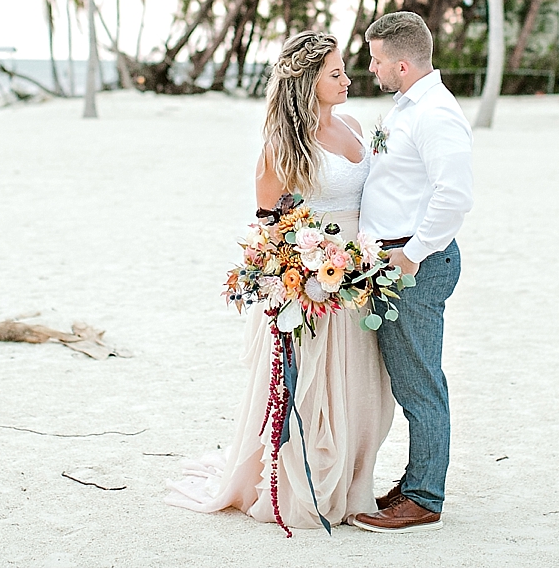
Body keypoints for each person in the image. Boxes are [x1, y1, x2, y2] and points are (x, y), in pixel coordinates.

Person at [165, 31, 395, 530]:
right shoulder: (281, 148)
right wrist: (303, 277)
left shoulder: (356, 126)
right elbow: (269, 225)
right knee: (313, 389)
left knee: (363, 386)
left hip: (361, 277)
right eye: (335, 73)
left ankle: (355, 481)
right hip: (314, 286)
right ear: (309, 81)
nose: (346, 79)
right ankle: (305, 484)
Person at [350, 11, 472, 534]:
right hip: (391, 261)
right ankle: (415, 479)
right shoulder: (402, 108)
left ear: (402, 63)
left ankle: (424, 497)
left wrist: (413, 252)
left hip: (415, 266)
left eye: (377, 61)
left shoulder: (436, 115)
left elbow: (455, 195)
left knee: (421, 384)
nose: (371, 69)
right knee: (407, 381)